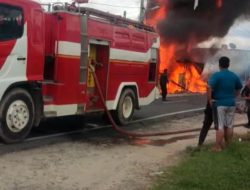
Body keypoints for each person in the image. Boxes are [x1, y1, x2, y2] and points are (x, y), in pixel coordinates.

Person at [208, 56, 242, 151]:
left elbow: (209, 87)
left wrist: (210, 99)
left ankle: (217, 147)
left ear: (219, 65)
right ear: (228, 64)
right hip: (231, 104)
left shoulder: (217, 75)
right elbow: (239, 88)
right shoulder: (234, 75)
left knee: (220, 126)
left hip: (220, 104)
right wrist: (233, 96)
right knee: (230, 125)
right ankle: (228, 145)